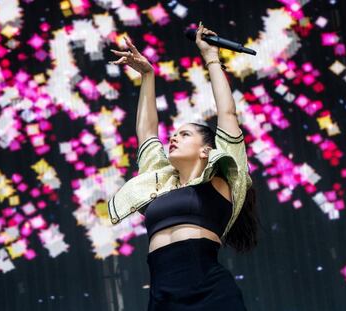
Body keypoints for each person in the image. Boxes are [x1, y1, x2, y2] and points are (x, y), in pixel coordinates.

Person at [110, 22, 259, 311]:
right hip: (162, 296)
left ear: (206, 150)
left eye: (185, 134)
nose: (174, 137)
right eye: (174, 134)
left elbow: (227, 113)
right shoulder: (161, 182)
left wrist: (211, 57)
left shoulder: (221, 181)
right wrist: (147, 76)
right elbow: (147, 132)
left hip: (208, 292)